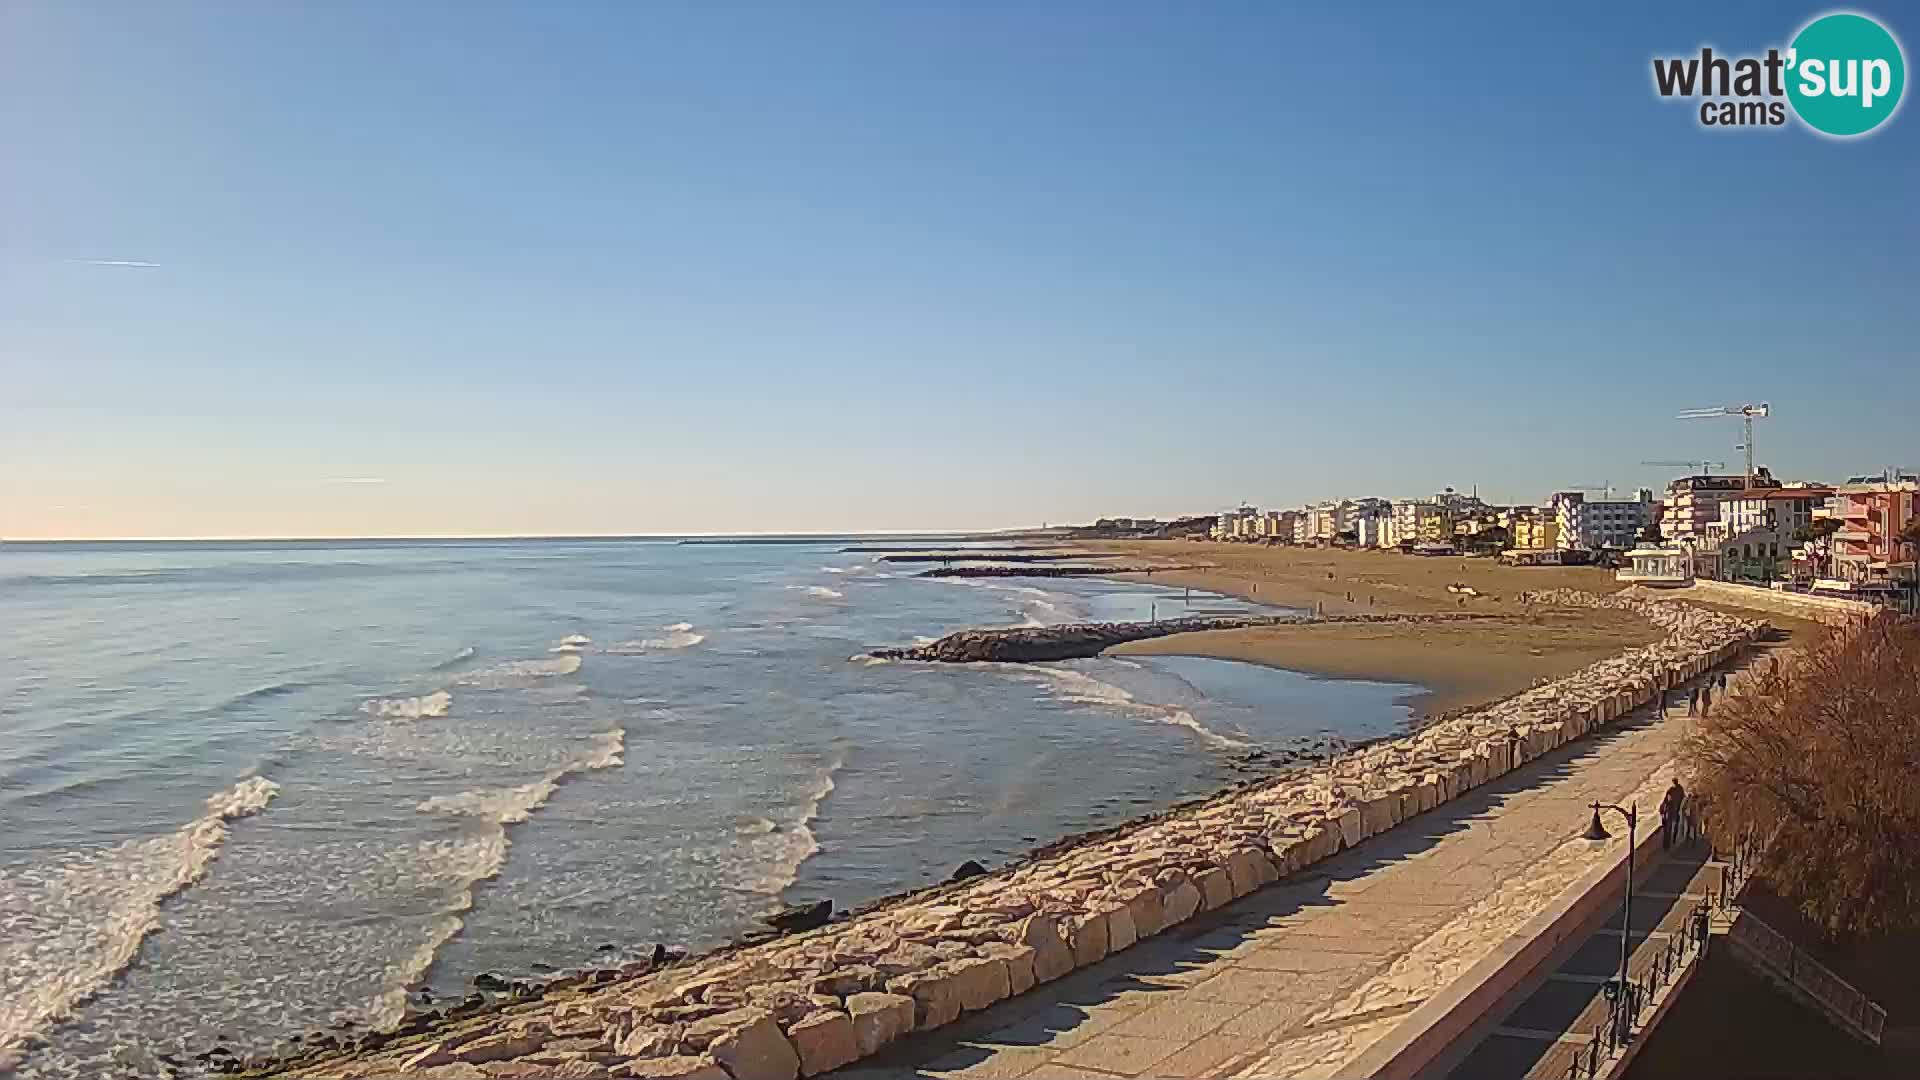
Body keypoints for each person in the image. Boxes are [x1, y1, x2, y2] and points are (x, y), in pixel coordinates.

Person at [1660, 779, 1686, 849]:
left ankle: (1670, 842)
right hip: (1674, 812)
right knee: (1669, 829)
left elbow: (1682, 797)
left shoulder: (1673, 790)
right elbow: (1683, 797)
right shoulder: (1679, 789)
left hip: (1673, 812)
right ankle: (1670, 842)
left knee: (1669, 830)